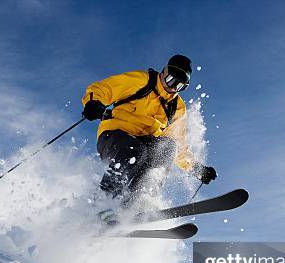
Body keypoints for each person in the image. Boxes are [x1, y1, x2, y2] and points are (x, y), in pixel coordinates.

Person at [81, 54, 217, 205]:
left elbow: (179, 145)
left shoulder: (177, 108)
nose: (172, 87)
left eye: (178, 86)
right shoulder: (141, 81)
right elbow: (103, 88)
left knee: (168, 148)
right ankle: (104, 202)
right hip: (115, 136)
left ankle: (137, 204)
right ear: (163, 72)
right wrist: (93, 102)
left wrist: (196, 169)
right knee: (135, 151)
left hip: (144, 143)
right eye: (170, 80)